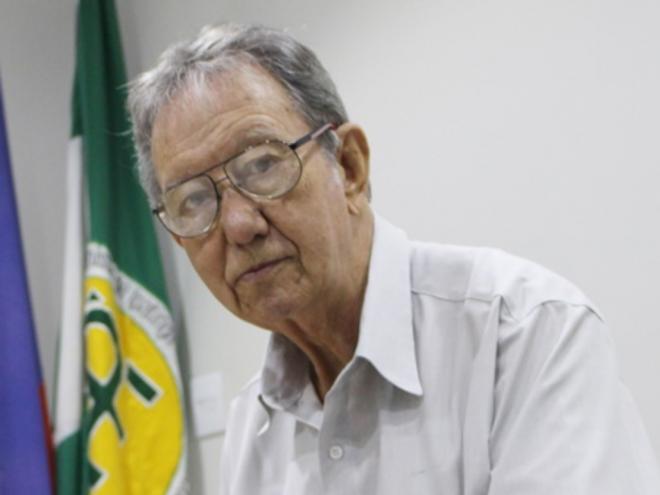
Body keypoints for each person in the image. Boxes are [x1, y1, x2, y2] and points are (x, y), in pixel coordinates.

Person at [127, 23, 660, 495]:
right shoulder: (252, 427)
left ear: (350, 167)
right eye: (193, 201)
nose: (239, 225)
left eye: (263, 165)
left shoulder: (524, 333)